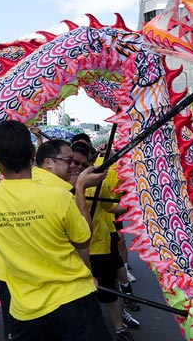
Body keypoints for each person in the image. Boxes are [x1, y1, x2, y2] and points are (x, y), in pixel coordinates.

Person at [0, 121, 111, 341]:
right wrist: (79, 190)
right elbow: (83, 239)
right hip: (74, 301)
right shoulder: (59, 197)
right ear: (33, 153)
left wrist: (0, 237)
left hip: (26, 310)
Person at [70, 143, 138, 341]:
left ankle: (119, 328)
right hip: (70, 252)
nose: (77, 168)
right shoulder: (54, 188)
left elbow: (113, 208)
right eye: (72, 162)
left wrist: (133, 200)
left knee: (109, 288)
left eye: (83, 164)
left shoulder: (99, 183)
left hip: (98, 246)